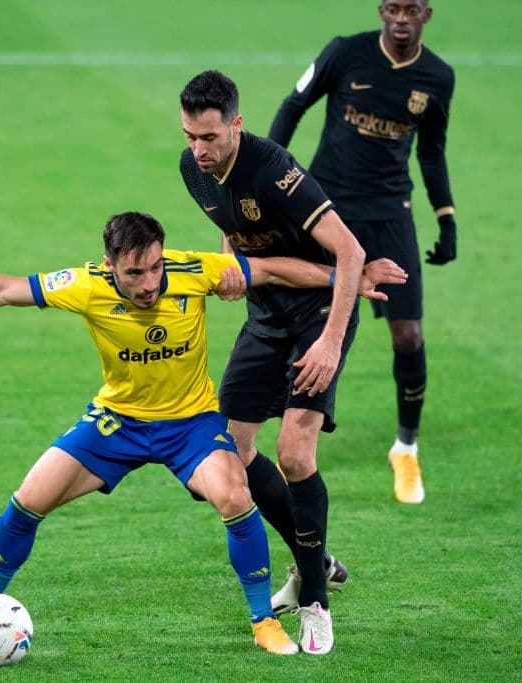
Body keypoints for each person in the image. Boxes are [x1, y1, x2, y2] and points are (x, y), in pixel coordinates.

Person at [0, 211, 405, 656]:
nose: (148, 284)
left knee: (236, 496)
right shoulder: (85, 285)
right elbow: (0, 289)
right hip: (116, 424)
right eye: (134, 273)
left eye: (154, 269)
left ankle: (263, 620)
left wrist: (345, 278)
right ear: (110, 265)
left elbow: (275, 271)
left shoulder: (194, 271)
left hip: (190, 426)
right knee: (27, 500)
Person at [180, 69, 367, 655]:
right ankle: (320, 560)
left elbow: (351, 251)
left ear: (237, 124)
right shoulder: (193, 170)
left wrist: (331, 343)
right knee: (228, 453)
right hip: (265, 314)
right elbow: (232, 225)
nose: (199, 150)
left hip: (318, 316)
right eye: (190, 135)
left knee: (294, 451)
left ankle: (315, 599)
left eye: (210, 137)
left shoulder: (275, 170)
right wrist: (232, 266)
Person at [268, 0, 457, 506]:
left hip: (390, 213)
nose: (400, 18)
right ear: (381, 10)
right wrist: (266, 178)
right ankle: (295, 440)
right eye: (393, 7)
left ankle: (406, 447)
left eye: (411, 9)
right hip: (325, 209)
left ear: (426, 15)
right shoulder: (345, 53)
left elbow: (432, 151)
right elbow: (293, 106)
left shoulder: (438, 77)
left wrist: (446, 216)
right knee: (309, 320)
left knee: (409, 336)